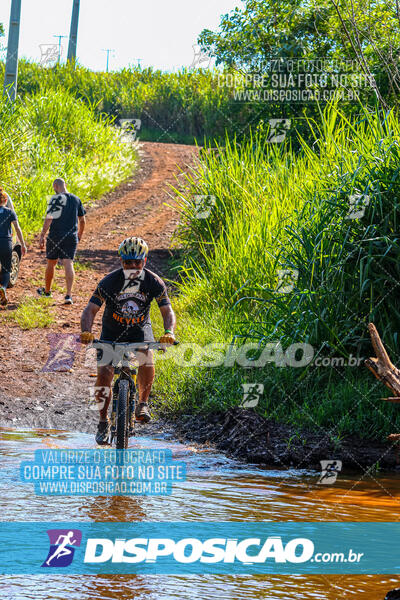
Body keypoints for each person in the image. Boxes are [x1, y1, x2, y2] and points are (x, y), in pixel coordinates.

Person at [80, 236, 176, 445]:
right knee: (104, 374)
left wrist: (169, 331)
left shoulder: (153, 282)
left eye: (137, 262)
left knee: (146, 357)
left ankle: (143, 403)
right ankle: (103, 422)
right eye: (127, 263)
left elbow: (167, 311)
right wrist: (86, 330)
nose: (133, 267)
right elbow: (91, 309)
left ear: (145, 261)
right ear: (121, 261)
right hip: (111, 333)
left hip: (140, 331)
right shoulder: (109, 282)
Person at [37, 178, 86, 305]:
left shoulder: (55, 199)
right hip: (71, 236)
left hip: (55, 236)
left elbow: (49, 218)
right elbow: (82, 220)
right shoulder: (76, 199)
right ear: (66, 185)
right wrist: (79, 234)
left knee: (51, 263)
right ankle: (68, 296)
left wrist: (42, 234)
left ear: (55, 186)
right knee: (68, 263)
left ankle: (47, 292)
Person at [0, 188, 27, 306]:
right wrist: (22, 244)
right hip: (6, 242)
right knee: (6, 269)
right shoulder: (10, 212)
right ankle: (4, 288)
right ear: (6, 200)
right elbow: (17, 229)